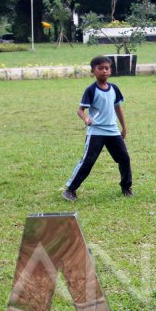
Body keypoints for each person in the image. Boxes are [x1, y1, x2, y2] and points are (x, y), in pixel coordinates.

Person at [62, 55, 132, 201]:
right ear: (93, 71)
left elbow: (118, 108)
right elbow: (80, 110)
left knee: (124, 158)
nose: (104, 71)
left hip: (112, 130)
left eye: (107, 68)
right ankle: (70, 189)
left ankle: (126, 187)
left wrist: (124, 127)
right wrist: (86, 118)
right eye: (100, 68)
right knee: (88, 161)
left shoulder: (114, 89)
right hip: (96, 131)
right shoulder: (91, 90)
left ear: (110, 70)